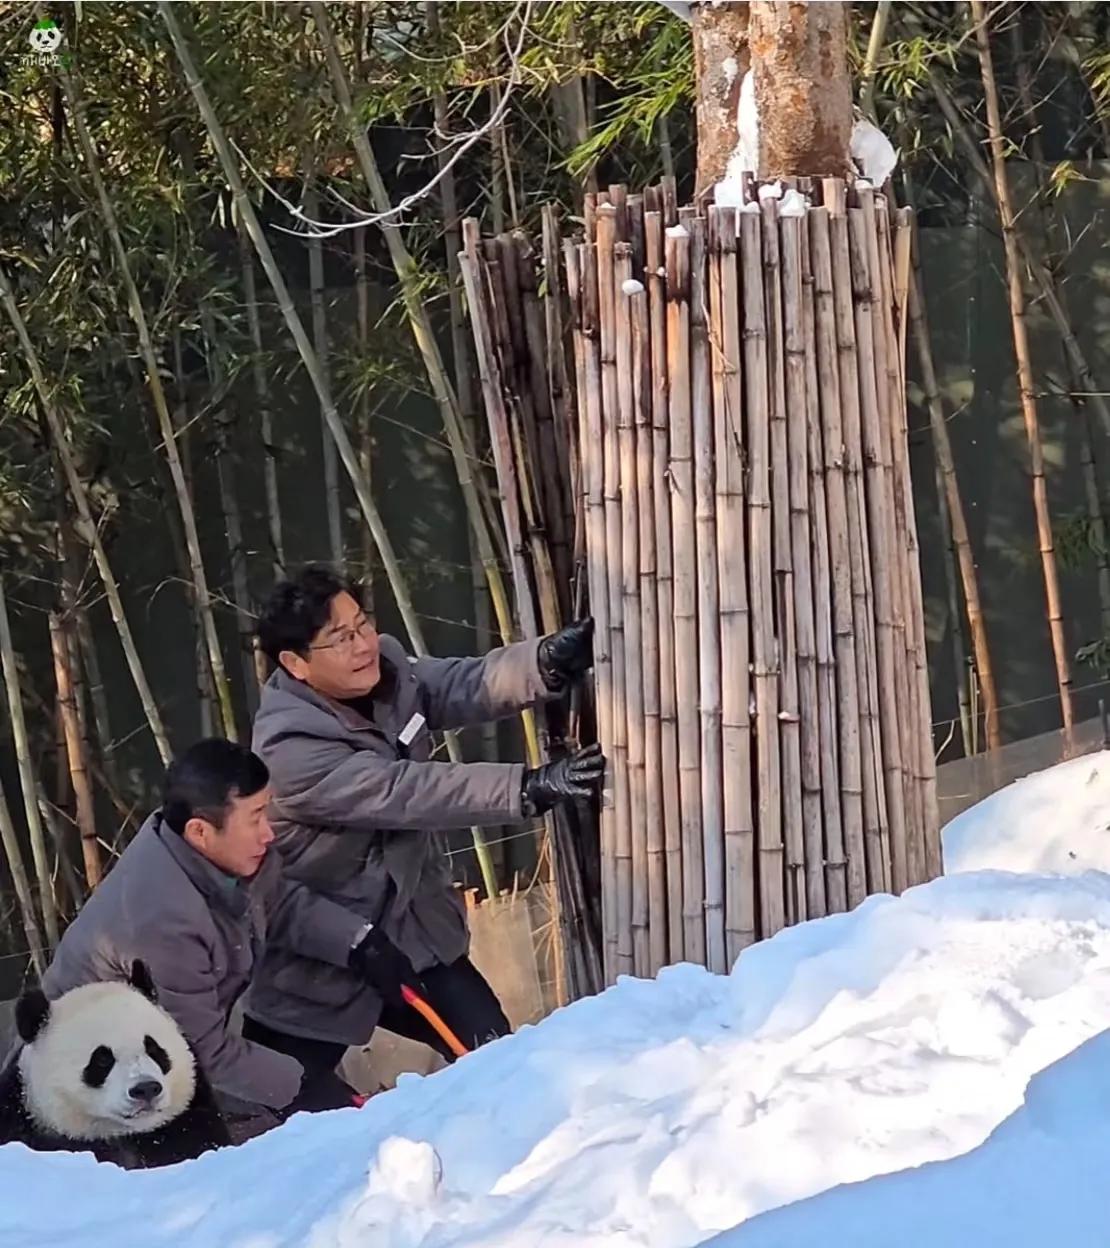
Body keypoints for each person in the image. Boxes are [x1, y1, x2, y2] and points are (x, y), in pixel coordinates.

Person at [245, 564, 604, 1090]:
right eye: (340, 639)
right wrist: (526, 788)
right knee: (293, 1113)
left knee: (496, 1061)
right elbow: (406, 791)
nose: (363, 643)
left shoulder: (386, 665)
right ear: (295, 663)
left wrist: (542, 664)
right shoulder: (289, 747)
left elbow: (458, 684)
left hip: (412, 932)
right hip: (319, 952)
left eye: (362, 624)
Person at [37, 737, 382, 1138]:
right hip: (91, 1098)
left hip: (158, 1068)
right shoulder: (162, 919)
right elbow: (201, 1048)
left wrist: (359, 941)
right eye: (255, 818)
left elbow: (279, 903)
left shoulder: (213, 851)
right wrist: (300, 1085)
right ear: (200, 831)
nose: (268, 833)